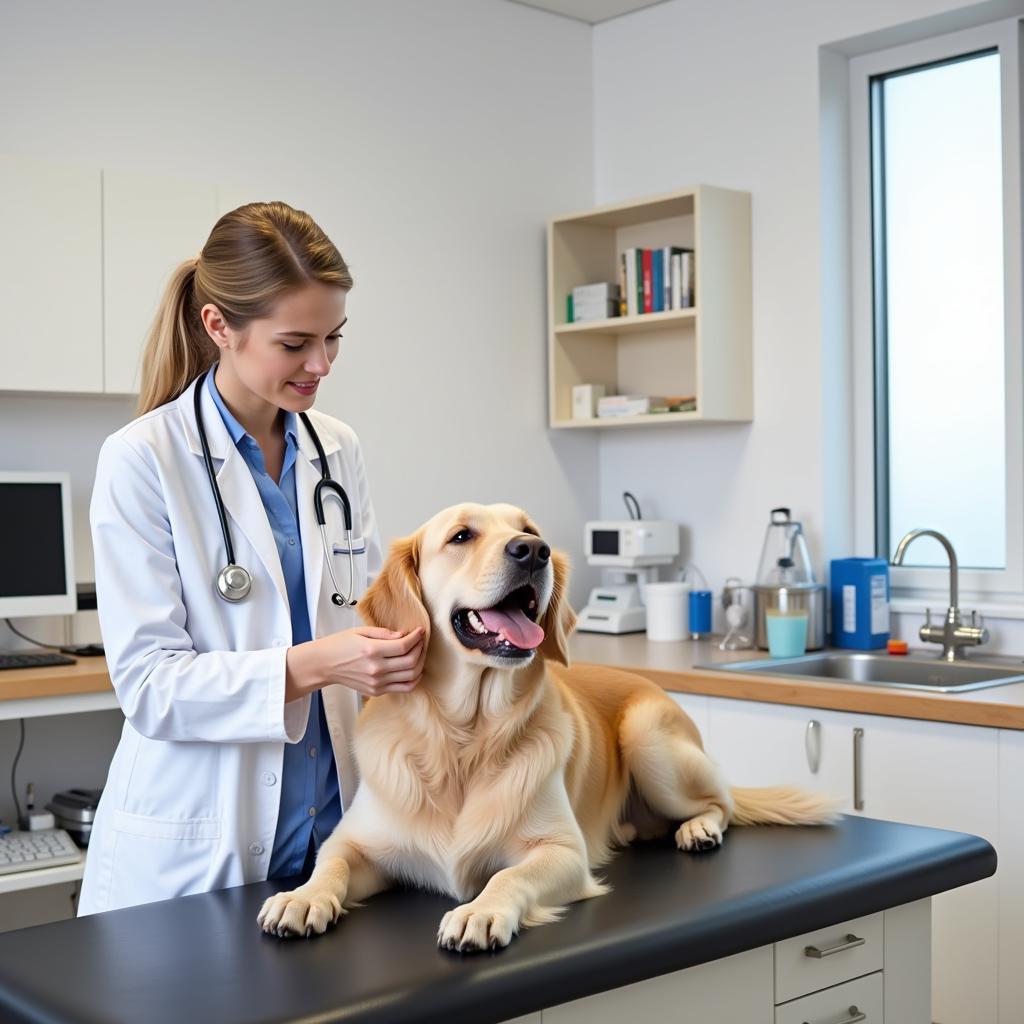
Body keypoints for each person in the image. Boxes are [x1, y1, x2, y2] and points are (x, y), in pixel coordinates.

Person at [78, 202, 425, 915]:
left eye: (334, 338)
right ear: (219, 328)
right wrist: (321, 662)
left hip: (337, 846)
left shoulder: (336, 448)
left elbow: (362, 609)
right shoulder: (143, 459)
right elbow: (149, 686)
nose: (321, 364)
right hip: (203, 854)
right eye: (295, 343)